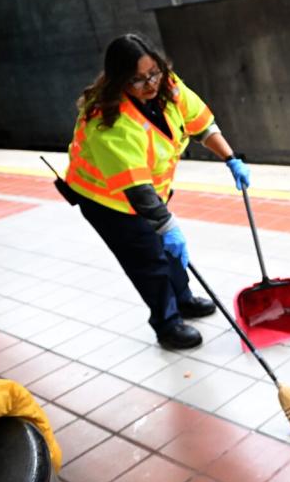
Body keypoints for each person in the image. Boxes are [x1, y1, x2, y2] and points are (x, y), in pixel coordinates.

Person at [65, 33, 251, 350]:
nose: (150, 84)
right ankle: (167, 324)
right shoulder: (108, 121)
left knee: (170, 250)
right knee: (150, 259)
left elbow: (200, 124)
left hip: (150, 193)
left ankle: (183, 298)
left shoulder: (168, 86)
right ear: (120, 80)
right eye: (138, 80)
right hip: (109, 202)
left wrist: (231, 158)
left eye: (154, 72)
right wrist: (167, 226)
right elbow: (136, 190)